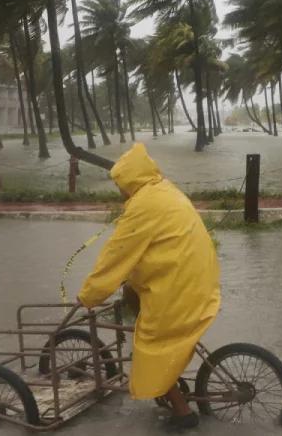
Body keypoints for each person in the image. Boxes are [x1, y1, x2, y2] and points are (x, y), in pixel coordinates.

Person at [77, 143, 221, 431]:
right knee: (132, 291)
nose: (119, 191)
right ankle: (171, 379)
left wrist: (88, 296)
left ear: (130, 180)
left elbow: (115, 256)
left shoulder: (143, 206)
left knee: (149, 349)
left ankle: (182, 413)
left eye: (120, 184)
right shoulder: (164, 190)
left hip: (180, 289)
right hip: (199, 281)